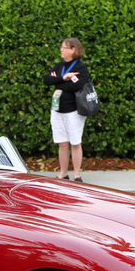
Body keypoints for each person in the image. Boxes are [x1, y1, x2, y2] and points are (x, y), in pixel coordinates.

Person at [42, 38, 91, 182]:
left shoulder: (81, 67)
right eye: (61, 47)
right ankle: (63, 173)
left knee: (75, 143)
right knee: (62, 143)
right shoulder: (59, 66)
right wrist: (64, 78)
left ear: (73, 50)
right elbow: (46, 80)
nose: (61, 50)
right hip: (57, 110)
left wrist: (58, 82)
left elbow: (77, 86)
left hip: (73, 111)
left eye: (65, 48)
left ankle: (77, 174)